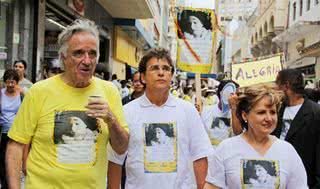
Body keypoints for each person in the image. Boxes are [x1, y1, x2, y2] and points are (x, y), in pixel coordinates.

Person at [6, 19, 129, 189]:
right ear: (63, 57)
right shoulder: (39, 91)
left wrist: (111, 119)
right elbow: (16, 145)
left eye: (92, 53)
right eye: (78, 53)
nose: (87, 60)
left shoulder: (109, 91)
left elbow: (121, 148)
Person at [108, 47, 212, 189]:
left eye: (166, 68)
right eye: (154, 68)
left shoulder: (187, 111)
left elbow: (200, 155)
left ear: (171, 75)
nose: (161, 73)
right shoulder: (127, 112)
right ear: (143, 77)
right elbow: (115, 160)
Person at [204, 84, 308, 189]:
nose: (268, 118)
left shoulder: (287, 151)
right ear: (245, 115)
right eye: (261, 112)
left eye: (272, 112)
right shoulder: (226, 148)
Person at [273, 69, 320, 188]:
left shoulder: (315, 113)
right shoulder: (276, 110)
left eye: (277, 84)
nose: (275, 89)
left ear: (286, 86)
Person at [0, 69, 24, 189]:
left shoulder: (21, 94)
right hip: (3, 133)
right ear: (5, 82)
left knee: (14, 163)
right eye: (8, 82)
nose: (10, 85)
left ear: (17, 82)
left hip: (16, 134)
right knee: (2, 162)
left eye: (13, 82)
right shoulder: (1, 93)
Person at [201, 80, 238, 147]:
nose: (233, 97)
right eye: (230, 93)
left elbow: (238, 133)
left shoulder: (238, 113)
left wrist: (234, 108)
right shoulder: (206, 111)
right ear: (221, 93)